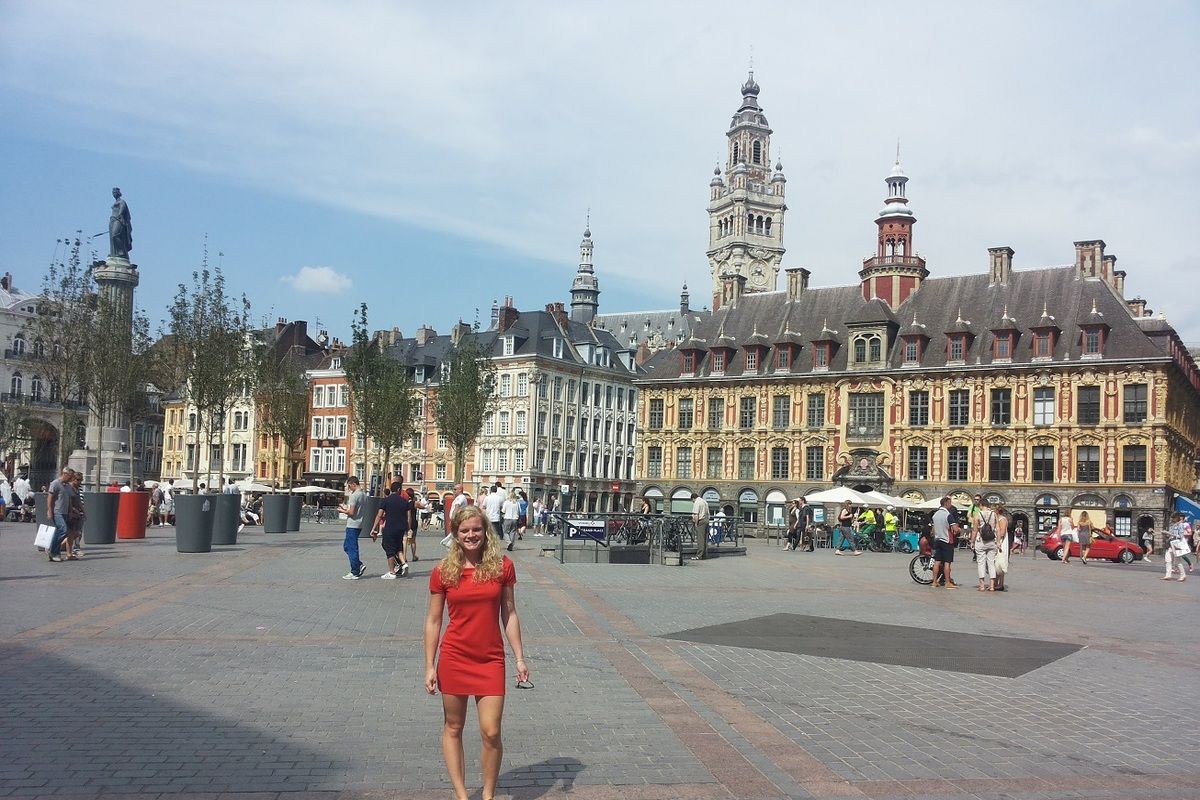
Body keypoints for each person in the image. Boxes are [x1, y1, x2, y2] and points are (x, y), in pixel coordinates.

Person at [424, 505, 527, 800]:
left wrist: (519, 657)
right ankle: (461, 794)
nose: (471, 535)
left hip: (491, 659)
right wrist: (429, 665)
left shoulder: (502, 567)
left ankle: (488, 795)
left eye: (477, 529)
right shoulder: (443, 571)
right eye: (465, 530)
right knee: (453, 726)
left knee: (491, 732)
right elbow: (433, 621)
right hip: (454, 657)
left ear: (486, 531)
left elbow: (509, 613)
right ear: (455, 534)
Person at [370, 481, 415, 578]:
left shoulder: (386, 500)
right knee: (398, 547)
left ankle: (392, 572)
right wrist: (408, 528)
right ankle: (403, 563)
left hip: (390, 527)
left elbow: (379, 515)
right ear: (399, 490)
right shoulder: (404, 502)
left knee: (389, 548)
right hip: (401, 528)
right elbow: (409, 517)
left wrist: (374, 528)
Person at [338, 477, 369, 580]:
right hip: (359, 523)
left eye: (349, 485)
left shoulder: (354, 495)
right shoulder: (364, 495)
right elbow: (356, 510)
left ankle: (355, 571)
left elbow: (351, 512)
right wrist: (345, 509)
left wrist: (342, 511)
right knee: (347, 546)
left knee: (351, 548)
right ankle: (358, 565)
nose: (349, 488)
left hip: (352, 524)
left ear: (353, 484)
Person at [46, 467, 75, 563]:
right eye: (70, 476)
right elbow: (50, 498)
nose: (71, 479)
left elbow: (70, 500)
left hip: (65, 512)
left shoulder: (68, 486)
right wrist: (50, 511)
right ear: (65, 474)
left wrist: (71, 511)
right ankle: (52, 550)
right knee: (63, 530)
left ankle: (55, 553)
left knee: (60, 532)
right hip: (57, 512)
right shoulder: (55, 483)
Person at [930, 496, 959, 588]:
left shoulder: (935, 515)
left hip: (937, 540)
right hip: (947, 540)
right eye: (950, 503)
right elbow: (955, 529)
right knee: (947, 562)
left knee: (937, 562)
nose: (951, 505)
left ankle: (934, 582)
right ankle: (947, 582)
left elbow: (933, 531)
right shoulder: (948, 515)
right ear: (946, 504)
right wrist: (958, 530)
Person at [972, 498, 999, 591]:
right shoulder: (994, 514)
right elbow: (997, 529)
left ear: (981, 505)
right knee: (991, 563)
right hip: (992, 541)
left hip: (981, 541)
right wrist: (998, 542)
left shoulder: (977, 515)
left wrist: (972, 541)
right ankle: (992, 586)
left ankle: (982, 585)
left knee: (981, 562)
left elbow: (975, 530)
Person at [1163, 512, 1192, 582]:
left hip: (1176, 545)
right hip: (1170, 544)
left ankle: (1183, 575)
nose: (1172, 519)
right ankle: (1168, 575)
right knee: (1168, 560)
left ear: (1177, 517)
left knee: (1177, 562)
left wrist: (1170, 534)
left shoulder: (1181, 525)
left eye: (1174, 518)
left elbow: (1181, 536)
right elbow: (1169, 535)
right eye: (1172, 518)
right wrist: (1165, 534)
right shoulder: (1172, 525)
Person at [109, 187, 132, 259]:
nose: (114, 194)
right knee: (112, 239)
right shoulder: (115, 203)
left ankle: (122, 252)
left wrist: (120, 214)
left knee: (115, 235)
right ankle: (114, 253)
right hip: (112, 220)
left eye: (115, 192)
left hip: (118, 220)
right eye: (113, 193)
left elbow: (122, 209)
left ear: (119, 193)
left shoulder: (122, 201)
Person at [993, 503, 1011, 591]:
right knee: (996, 563)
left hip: (1001, 542)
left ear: (997, 511)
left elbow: (1002, 532)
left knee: (1000, 562)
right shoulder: (996, 519)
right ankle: (996, 582)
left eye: (993, 510)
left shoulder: (1002, 519)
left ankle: (1000, 584)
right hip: (997, 541)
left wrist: (998, 540)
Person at [690, 492, 709, 560]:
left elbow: (696, 514)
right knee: (705, 539)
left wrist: (696, 523)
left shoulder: (697, 502)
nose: (693, 502)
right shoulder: (704, 502)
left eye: (692, 501)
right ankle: (704, 555)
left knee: (700, 539)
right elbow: (708, 513)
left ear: (693, 498)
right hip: (706, 520)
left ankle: (699, 555)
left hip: (700, 521)